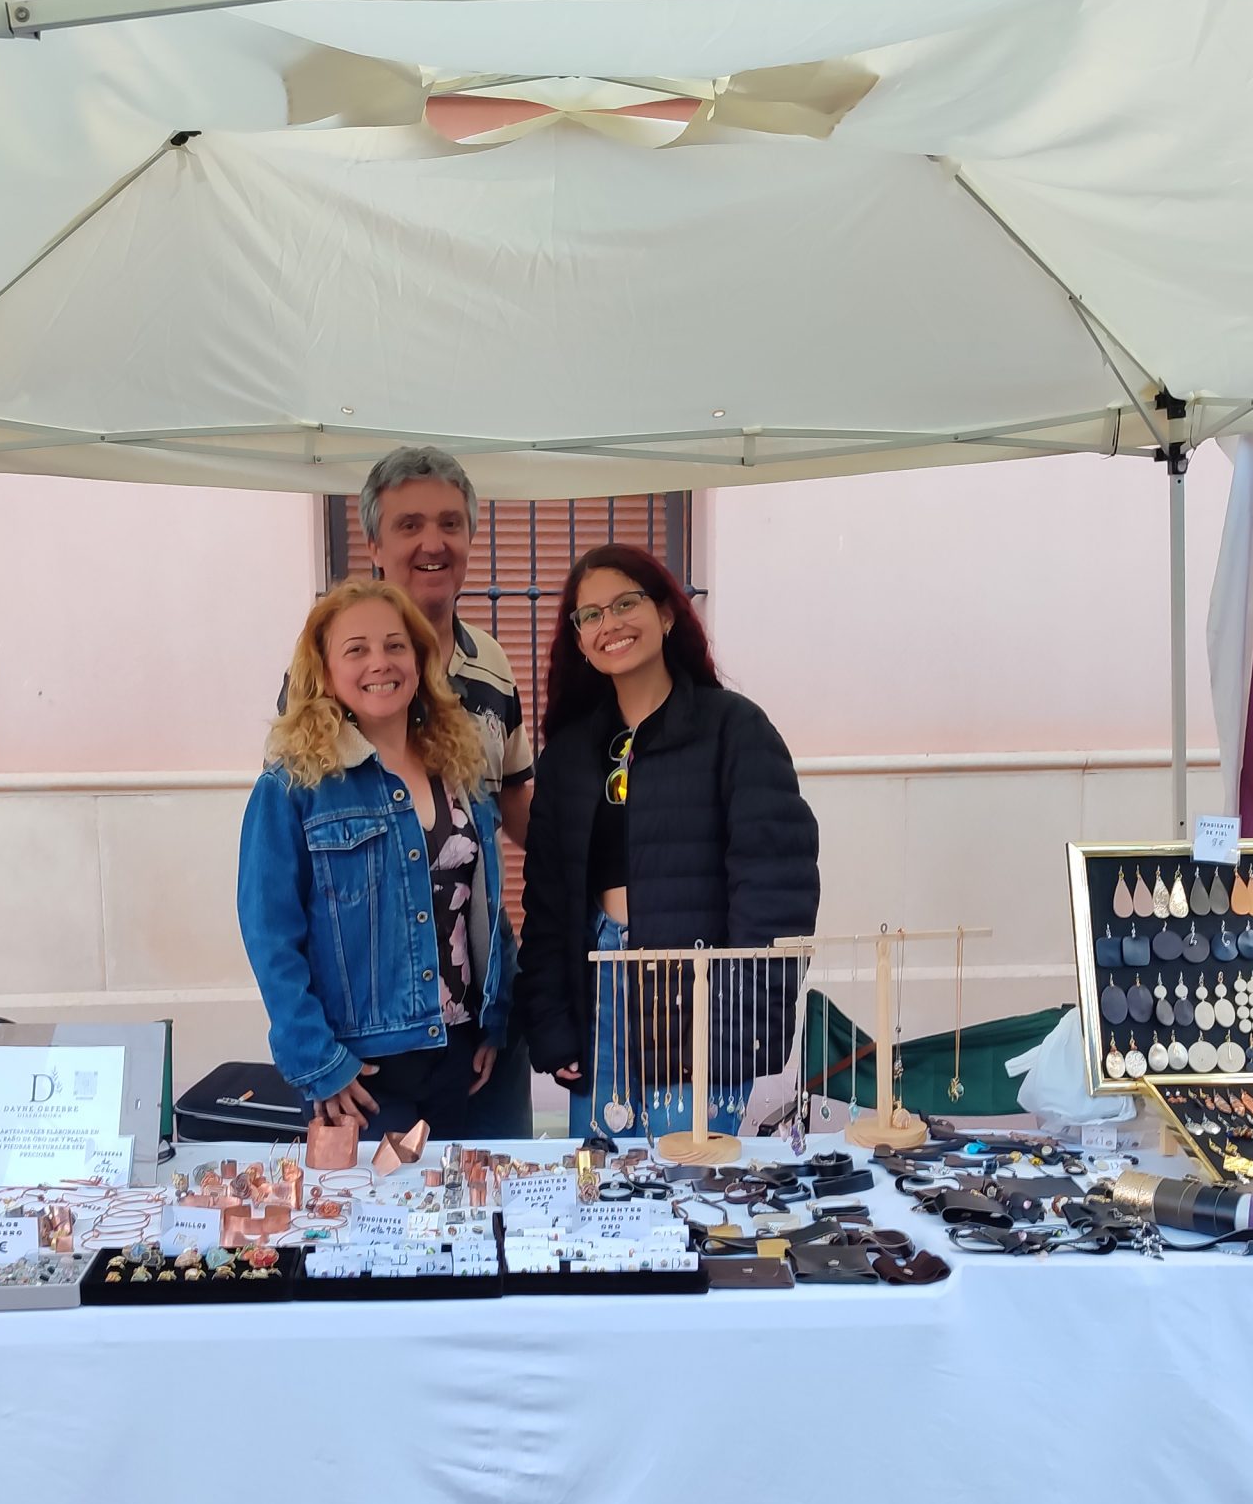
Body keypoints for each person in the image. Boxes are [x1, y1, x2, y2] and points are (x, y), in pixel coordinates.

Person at [517, 544, 819, 1140]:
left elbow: (776, 890)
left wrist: (738, 1025)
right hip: (600, 996)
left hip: (697, 997)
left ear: (666, 614)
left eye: (626, 603)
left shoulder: (734, 729)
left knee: (691, 1179)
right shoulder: (570, 754)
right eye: (591, 615)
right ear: (579, 640)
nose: (610, 624)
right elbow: (548, 903)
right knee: (602, 1180)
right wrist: (552, 1023)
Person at [238, 579, 512, 1139]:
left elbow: (485, 908)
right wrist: (318, 1061)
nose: (379, 663)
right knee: (370, 1201)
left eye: (395, 645)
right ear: (325, 671)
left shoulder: (459, 770)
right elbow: (270, 938)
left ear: (419, 659)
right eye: (356, 649)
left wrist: (496, 1017)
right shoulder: (293, 786)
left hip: (458, 1054)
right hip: (361, 1072)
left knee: (459, 1199)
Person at [350, 445, 537, 1135]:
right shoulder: (334, 671)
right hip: (375, 1035)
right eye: (410, 525)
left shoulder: (491, 662)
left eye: (450, 524)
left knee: (502, 1190)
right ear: (374, 545)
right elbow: (288, 874)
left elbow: (519, 807)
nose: (433, 543)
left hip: (483, 1011)